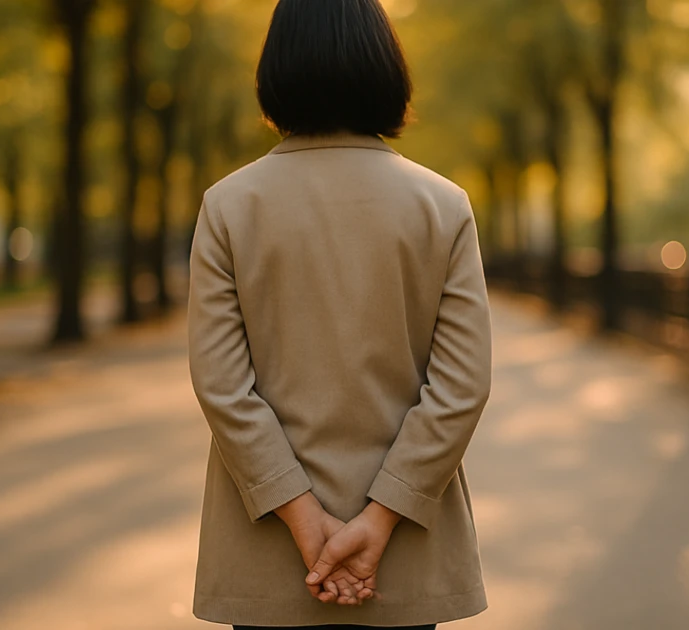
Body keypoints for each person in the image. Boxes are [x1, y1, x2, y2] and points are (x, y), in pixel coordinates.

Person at [187, 0, 493, 627]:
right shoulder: (443, 206)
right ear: (385, 66)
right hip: (405, 553)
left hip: (268, 552)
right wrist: (380, 519)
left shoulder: (227, 207)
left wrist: (303, 519)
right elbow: (461, 387)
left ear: (276, 71)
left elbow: (223, 388)